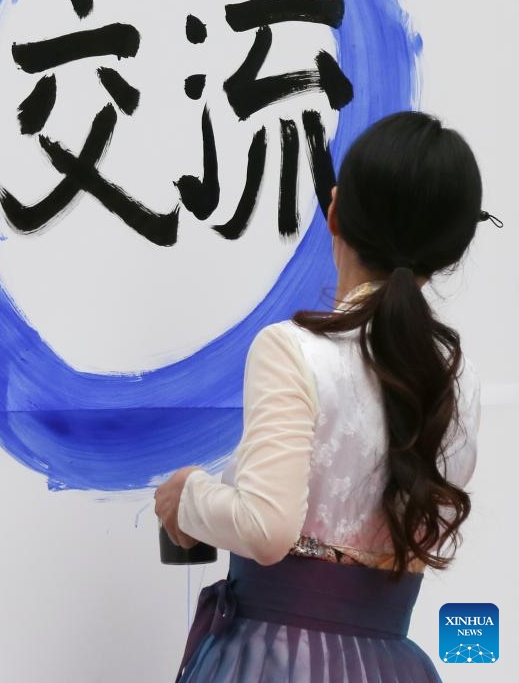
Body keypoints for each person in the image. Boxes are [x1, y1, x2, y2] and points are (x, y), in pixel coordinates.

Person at [154, 111, 496, 682]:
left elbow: (267, 528)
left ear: (334, 210)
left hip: (273, 662)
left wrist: (187, 495)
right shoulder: (457, 381)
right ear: (450, 251)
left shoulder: (292, 350)